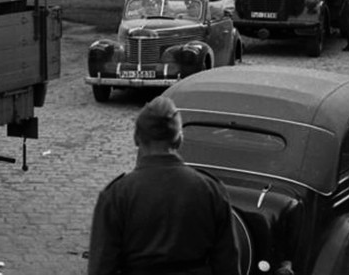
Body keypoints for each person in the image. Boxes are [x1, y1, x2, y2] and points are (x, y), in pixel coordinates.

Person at [88, 96, 239, 275]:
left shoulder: (117, 195)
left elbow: (102, 267)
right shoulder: (211, 190)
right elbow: (228, 265)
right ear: (179, 140)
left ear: (136, 138)